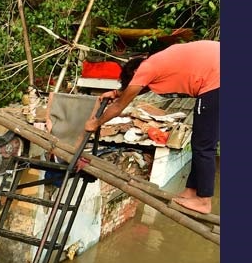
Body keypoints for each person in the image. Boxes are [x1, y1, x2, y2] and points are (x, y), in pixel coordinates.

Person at [84, 40, 220, 214]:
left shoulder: (147, 68)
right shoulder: (157, 63)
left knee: (203, 145)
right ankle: (191, 191)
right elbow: (140, 88)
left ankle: (203, 201)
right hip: (216, 75)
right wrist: (118, 93)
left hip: (216, 81)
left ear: (134, 72)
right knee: (199, 141)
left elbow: (119, 107)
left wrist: (96, 123)